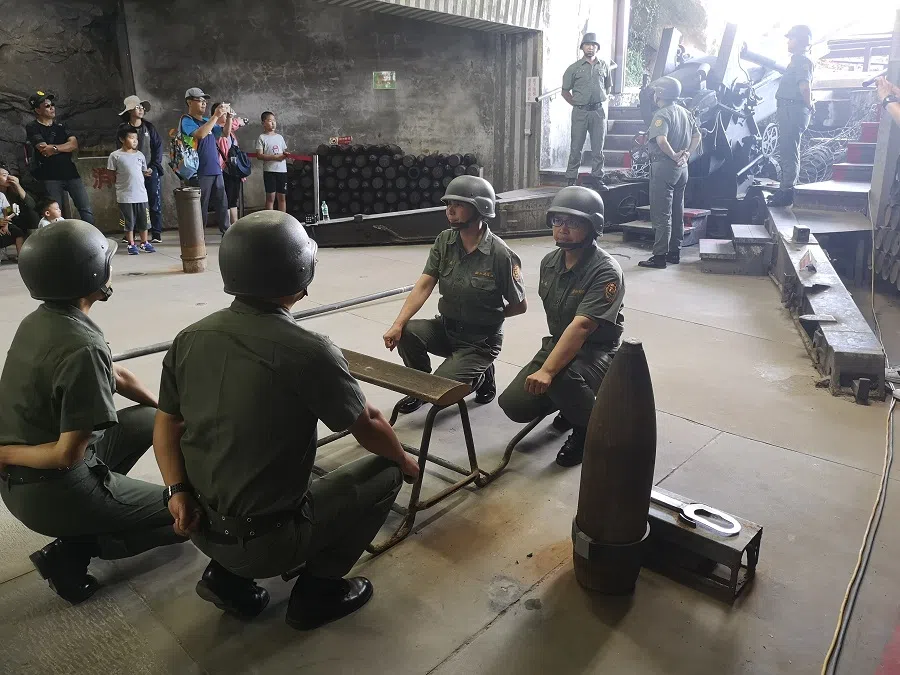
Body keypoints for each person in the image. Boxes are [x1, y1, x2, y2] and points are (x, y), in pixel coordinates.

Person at [153, 210, 417, 629]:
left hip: (196, 522)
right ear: (301, 272)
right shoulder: (309, 350)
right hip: (267, 541)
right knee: (386, 471)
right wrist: (404, 459)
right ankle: (318, 593)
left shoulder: (191, 337)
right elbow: (366, 422)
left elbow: (166, 423)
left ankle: (227, 579)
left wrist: (176, 490)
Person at [0, 221, 185, 604]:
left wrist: (169, 411)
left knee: (153, 421)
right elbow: (65, 455)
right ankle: (73, 551)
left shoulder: (44, 320)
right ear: (93, 275)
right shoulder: (81, 346)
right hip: (53, 486)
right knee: (190, 514)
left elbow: (117, 374)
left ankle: (94, 520)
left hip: (36, 478)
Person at [498, 187, 624, 467]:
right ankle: (572, 406)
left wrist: (548, 370)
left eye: (574, 222)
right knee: (515, 405)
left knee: (562, 378)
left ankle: (588, 430)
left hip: (598, 351)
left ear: (593, 227)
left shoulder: (605, 270)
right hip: (559, 341)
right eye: (558, 221)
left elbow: (581, 327)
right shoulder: (550, 262)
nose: (563, 229)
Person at [382, 176, 528, 414]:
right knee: (408, 332)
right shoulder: (445, 241)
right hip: (446, 328)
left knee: (440, 393)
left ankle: (480, 375)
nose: (450, 211)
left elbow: (520, 306)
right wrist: (397, 324)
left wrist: (487, 317)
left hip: (480, 341)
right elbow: (424, 285)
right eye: (448, 204)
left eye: (458, 205)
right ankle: (419, 387)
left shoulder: (501, 255)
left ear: (480, 208)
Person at [638, 76, 701, 270]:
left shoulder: (661, 114)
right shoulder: (685, 112)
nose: (655, 95)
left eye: (656, 92)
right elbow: (697, 135)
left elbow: (661, 141)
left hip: (664, 167)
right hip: (683, 169)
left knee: (661, 213)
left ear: (661, 94)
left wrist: (673, 155)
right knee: (677, 210)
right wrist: (687, 154)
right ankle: (675, 252)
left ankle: (659, 256)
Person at [24, 91, 94, 225]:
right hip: (50, 176)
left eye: (52, 105)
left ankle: (93, 239)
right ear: (37, 110)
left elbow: (73, 144)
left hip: (71, 173)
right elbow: (44, 150)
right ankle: (58, 241)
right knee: (55, 212)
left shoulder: (62, 126)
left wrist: (55, 148)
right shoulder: (33, 127)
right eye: (47, 106)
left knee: (85, 208)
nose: (52, 108)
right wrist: (63, 147)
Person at [768, 25, 815, 207]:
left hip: (793, 110)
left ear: (801, 40)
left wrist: (810, 105)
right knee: (787, 149)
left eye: (792, 38)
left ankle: (787, 191)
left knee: (789, 150)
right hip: (789, 109)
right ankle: (786, 188)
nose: (788, 41)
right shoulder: (796, 60)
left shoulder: (803, 61)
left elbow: (805, 87)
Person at [562, 32, 611, 187]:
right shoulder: (573, 68)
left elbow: (607, 87)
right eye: (587, 45)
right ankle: (571, 179)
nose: (590, 48)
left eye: (593, 45)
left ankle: (597, 177)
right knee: (576, 146)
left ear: (597, 48)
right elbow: (565, 91)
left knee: (598, 147)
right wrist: (577, 103)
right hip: (580, 112)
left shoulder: (603, 66)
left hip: (597, 111)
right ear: (582, 47)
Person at [180, 87, 231, 233]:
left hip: (215, 169)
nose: (203, 104)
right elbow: (200, 134)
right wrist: (215, 116)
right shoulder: (187, 120)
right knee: (200, 206)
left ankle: (226, 233)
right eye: (200, 100)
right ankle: (198, 237)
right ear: (189, 102)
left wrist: (229, 117)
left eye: (204, 101)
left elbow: (225, 133)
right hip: (199, 171)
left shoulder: (208, 120)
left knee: (222, 204)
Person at [119, 95, 164, 243]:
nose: (141, 110)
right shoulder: (123, 129)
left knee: (153, 200)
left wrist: (153, 167)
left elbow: (157, 147)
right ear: (130, 110)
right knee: (128, 205)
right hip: (130, 173)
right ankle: (129, 233)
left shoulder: (149, 127)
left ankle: (156, 232)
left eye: (142, 107)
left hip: (150, 170)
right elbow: (119, 152)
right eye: (137, 107)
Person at [108, 125, 155, 255]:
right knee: (128, 222)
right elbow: (111, 174)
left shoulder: (140, 155)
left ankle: (144, 242)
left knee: (144, 221)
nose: (134, 141)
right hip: (125, 196)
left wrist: (147, 172)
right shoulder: (115, 156)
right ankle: (131, 244)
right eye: (131, 138)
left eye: (136, 138)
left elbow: (143, 171)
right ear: (122, 139)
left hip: (141, 194)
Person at [212, 102, 243, 226]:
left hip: (233, 168)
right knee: (226, 198)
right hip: (222, 168)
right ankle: (228, 226)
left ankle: (235, 225)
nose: (227, 115)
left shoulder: (230, 131)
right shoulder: (214, 129)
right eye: (224, 112)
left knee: (233, 198)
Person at [256, 112, 289, 212]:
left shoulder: (280, 137)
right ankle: (269, 222)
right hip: (269, 171)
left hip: (282, 171)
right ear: (263, 123)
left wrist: (285, 155)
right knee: (270, 198)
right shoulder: (262, 137)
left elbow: (284, 151)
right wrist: (276, 157)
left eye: (274, 121)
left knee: (282, 198)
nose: (273, 123)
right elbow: (259, 155)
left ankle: (283, 221)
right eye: (270, 121)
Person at [0, 163, 40, 232]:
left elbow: (31, 205)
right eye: (4, 175)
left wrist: (18, 186)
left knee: (32, 213)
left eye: (8, 174)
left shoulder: (12, 190)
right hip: (4, 221)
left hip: (12, 220)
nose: (9, 177)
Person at [0, 189, 25, 257]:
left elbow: (6, 209)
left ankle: (21, 256)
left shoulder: (1, 195)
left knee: (18, 232)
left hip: (4, 222)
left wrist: (6, 224)